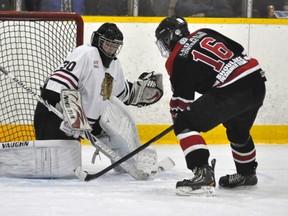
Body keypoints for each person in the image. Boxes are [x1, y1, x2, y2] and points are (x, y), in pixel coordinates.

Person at [34, 23, 164, 176]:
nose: (111, 49)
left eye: (115, 46)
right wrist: (68, 116)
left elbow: (122, 94)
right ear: (97, 40)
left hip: (84, 122)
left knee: (117, 141)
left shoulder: (114, 65)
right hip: (56, 115)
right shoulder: (87, 53)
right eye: (108, 44)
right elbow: (56, 87)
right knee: (59, 170)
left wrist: (140, 93)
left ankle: (129, 165)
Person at [155, 16, 266, 196]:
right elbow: (239, 50)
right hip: (256, 80)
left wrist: (179, 120)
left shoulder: (176, 59)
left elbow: (182, 101)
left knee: (185, 123)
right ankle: (247, 173)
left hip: (233, 89)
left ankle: (202, 173)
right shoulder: (205, 32)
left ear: (169, 37)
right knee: (237, 131)